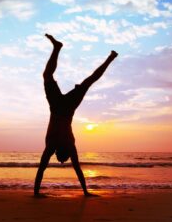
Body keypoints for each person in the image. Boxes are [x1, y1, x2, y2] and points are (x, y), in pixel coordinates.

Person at [34, 33, 118, 197]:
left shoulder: (67, 144)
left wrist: (86, 191)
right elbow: (43, 168)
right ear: (58, 152)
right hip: (57, 106)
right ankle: (57, 48)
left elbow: (76, 169)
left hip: (66, 108)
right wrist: (85, 192)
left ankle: (110, 58)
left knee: (89, 81)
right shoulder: (54, 144)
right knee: (48, 76)